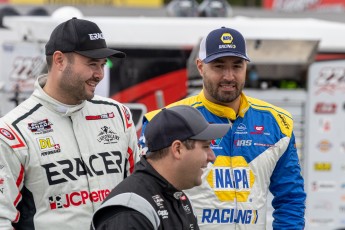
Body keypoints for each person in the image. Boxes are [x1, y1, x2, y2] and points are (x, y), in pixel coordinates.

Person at [139, 27, 306, 229]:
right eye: (218, 66)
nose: (229, 76)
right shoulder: (165, 121)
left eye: (237, 66)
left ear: (246, 67)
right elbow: (145, 194)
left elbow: (290, 198)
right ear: (200, 67)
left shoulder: (279, 122)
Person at [0, 17, 140, 229]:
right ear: (59, 60)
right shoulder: (13, 130)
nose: (99, 74)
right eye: (92, 64)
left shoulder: (117, 115)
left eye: (102, 65)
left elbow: (139, 190)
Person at [91, 105, 231, 230]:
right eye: (206, 147)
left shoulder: (176, 196)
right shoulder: (130, 212)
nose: (212, 157)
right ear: (178, 149)